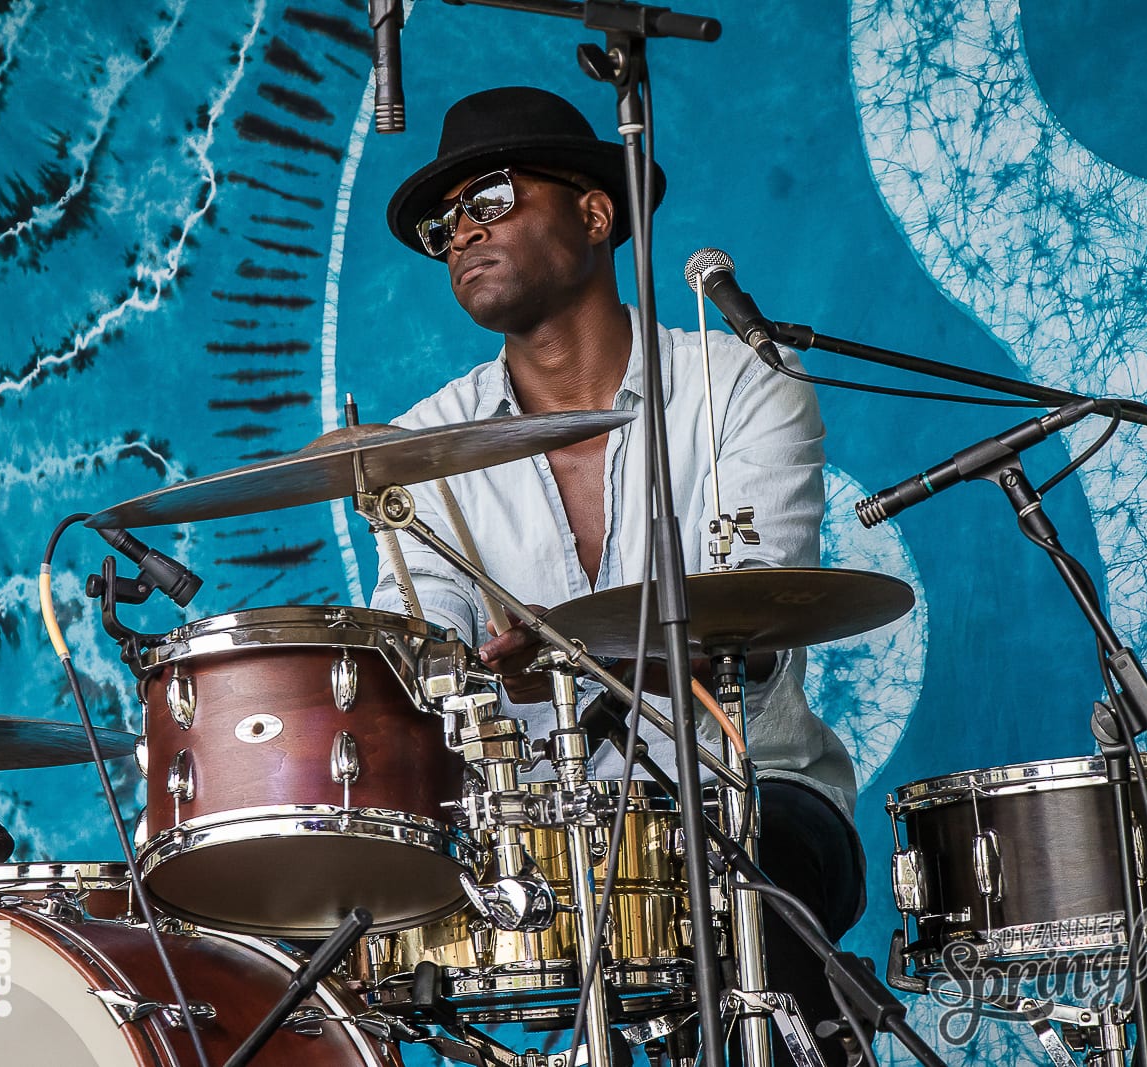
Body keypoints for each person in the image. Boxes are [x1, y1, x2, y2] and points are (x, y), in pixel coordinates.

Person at [370, 85, 865, 1066]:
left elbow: (750, 634)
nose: (461, 232)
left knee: (755, 883)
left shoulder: (741, 386)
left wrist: (560, 656)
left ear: (595, 213)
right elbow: (418, 650)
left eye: (490, 199)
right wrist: (443, 672)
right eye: (443, 223)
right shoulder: (421, 446)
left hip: (746, 797)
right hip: (533, 834)